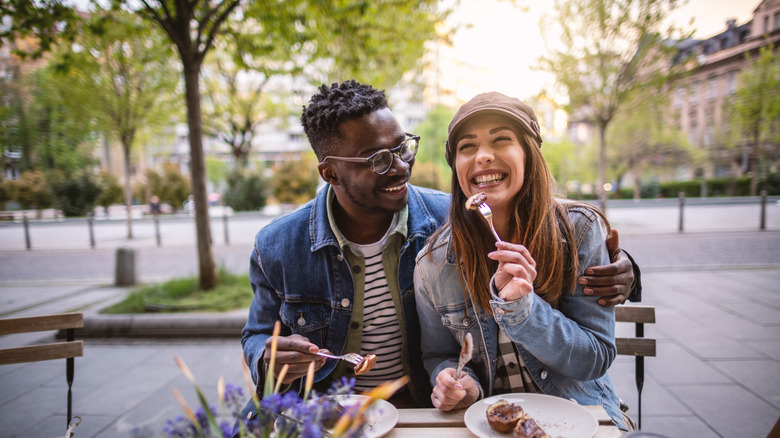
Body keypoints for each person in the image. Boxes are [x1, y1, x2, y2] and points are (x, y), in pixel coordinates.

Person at [240, 81, 637, 413]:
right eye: (378, 159)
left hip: (418, 408)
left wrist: (626, 271)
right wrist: (267, 357)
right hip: (322, 411)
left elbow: (542, 227)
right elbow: (257, 335)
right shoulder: (279, 246)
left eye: (402, 148)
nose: (399, 167)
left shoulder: (444, 220)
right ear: (330, 173)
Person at [413, 92, 633, 430]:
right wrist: (458, 382)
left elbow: (596, 357)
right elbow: (437, 354)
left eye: (501, 140)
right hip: (488, 425)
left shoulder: (579, 231)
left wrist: (524, 310)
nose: (483, 156)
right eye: (467, 147)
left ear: (529, 154)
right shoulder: (433, 263)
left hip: (579, 416)